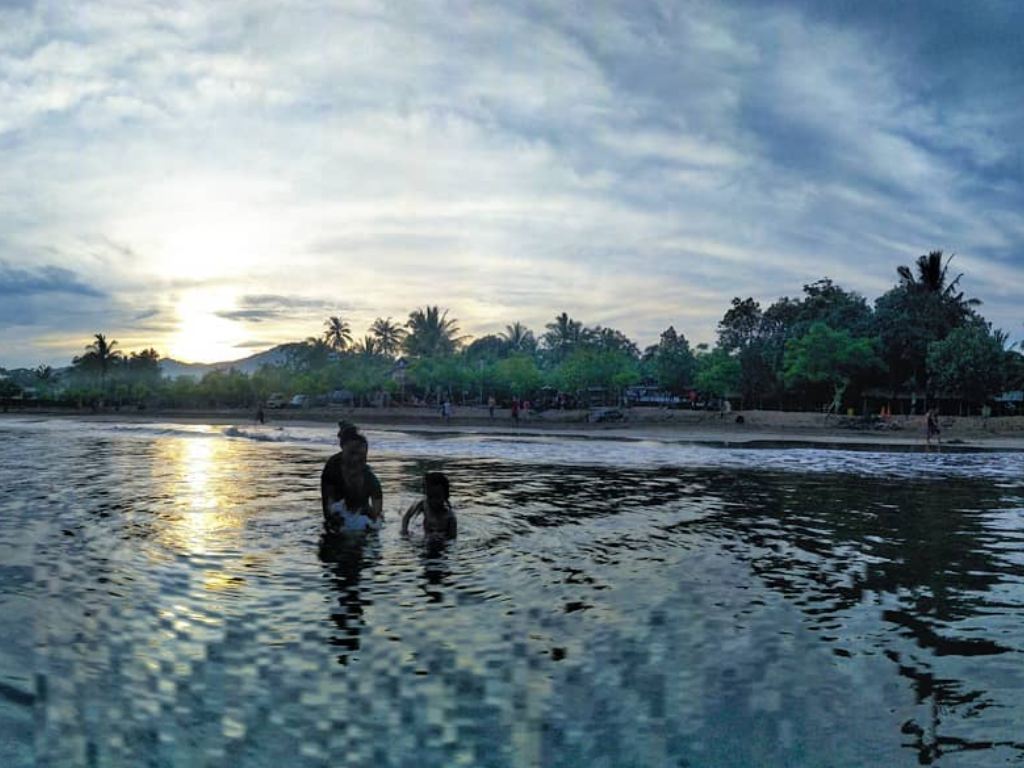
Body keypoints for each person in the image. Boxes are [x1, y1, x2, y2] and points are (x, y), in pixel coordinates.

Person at [321, 424, 384, 532]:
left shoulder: (370, 478)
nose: (356, 459)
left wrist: (374, 516)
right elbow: (329, 505)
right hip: (338, 513)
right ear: (343, 448)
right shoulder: (332, 469)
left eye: (361, 456)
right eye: (352, 453)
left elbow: (377, 510)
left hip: (359, 511)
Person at [401, 472, 457, 538]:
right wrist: (405, 532)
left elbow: (452, 538)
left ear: (446, 496)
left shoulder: (450, 517)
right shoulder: (424, 504)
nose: (433, 501)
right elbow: (406, 517)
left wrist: (442, 539)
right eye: (430, 497)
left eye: (437, 497)